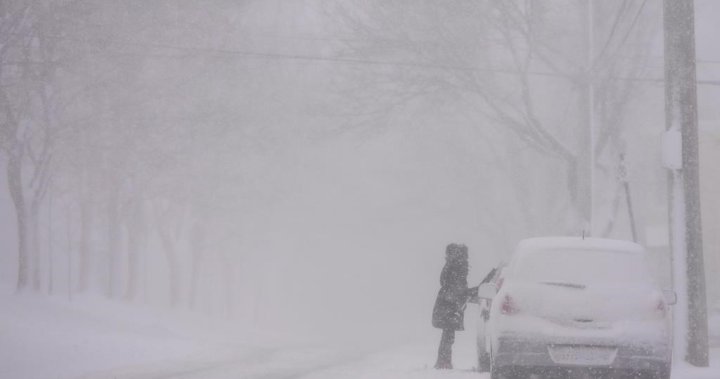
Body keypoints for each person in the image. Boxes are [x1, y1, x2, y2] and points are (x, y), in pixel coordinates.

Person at [431, 243, 478, 369]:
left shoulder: (451, 266)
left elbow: (452, 286)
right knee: (448, 335)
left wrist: (469, 293)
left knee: (448, 334)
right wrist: (472, 292)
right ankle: (443, 362)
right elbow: (458, 289)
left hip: (447, 304)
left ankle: (443, 361)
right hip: (450, 306)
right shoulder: (458, 267)